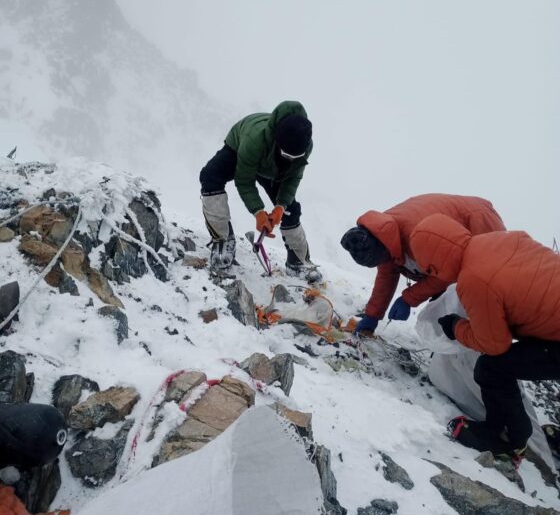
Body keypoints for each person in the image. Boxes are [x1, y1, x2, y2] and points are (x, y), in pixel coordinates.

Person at [409, 213, 560, 460]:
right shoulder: (503, 239)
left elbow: (494, 345)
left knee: (492, 368)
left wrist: (456, 327)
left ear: (433, 262)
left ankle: (509, 439)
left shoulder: (474, 278)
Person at [340, 194, 505, 334]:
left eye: (381, 259)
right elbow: (386, 273)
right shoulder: (380, 236)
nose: (383, 263)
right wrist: (372, 315)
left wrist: (408, 299)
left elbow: (447, 274)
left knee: (471, 292)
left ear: (383, 248)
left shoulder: (417, 237)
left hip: (480, 224)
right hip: (444, 242)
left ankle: (468, 351)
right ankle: (449, 343)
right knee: (445, 298)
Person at [199, 101, 320, 280]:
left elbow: (293, 178)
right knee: (210, 176)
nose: (291, 160)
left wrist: (281, 206)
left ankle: (298, 261)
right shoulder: (254, 140)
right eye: (287, 155)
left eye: (295, 157)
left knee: (290, 210)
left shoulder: (304, 144)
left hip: (273, 167)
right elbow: (244, 181)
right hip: (241, 147)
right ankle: (223, 239)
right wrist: (258, 212)